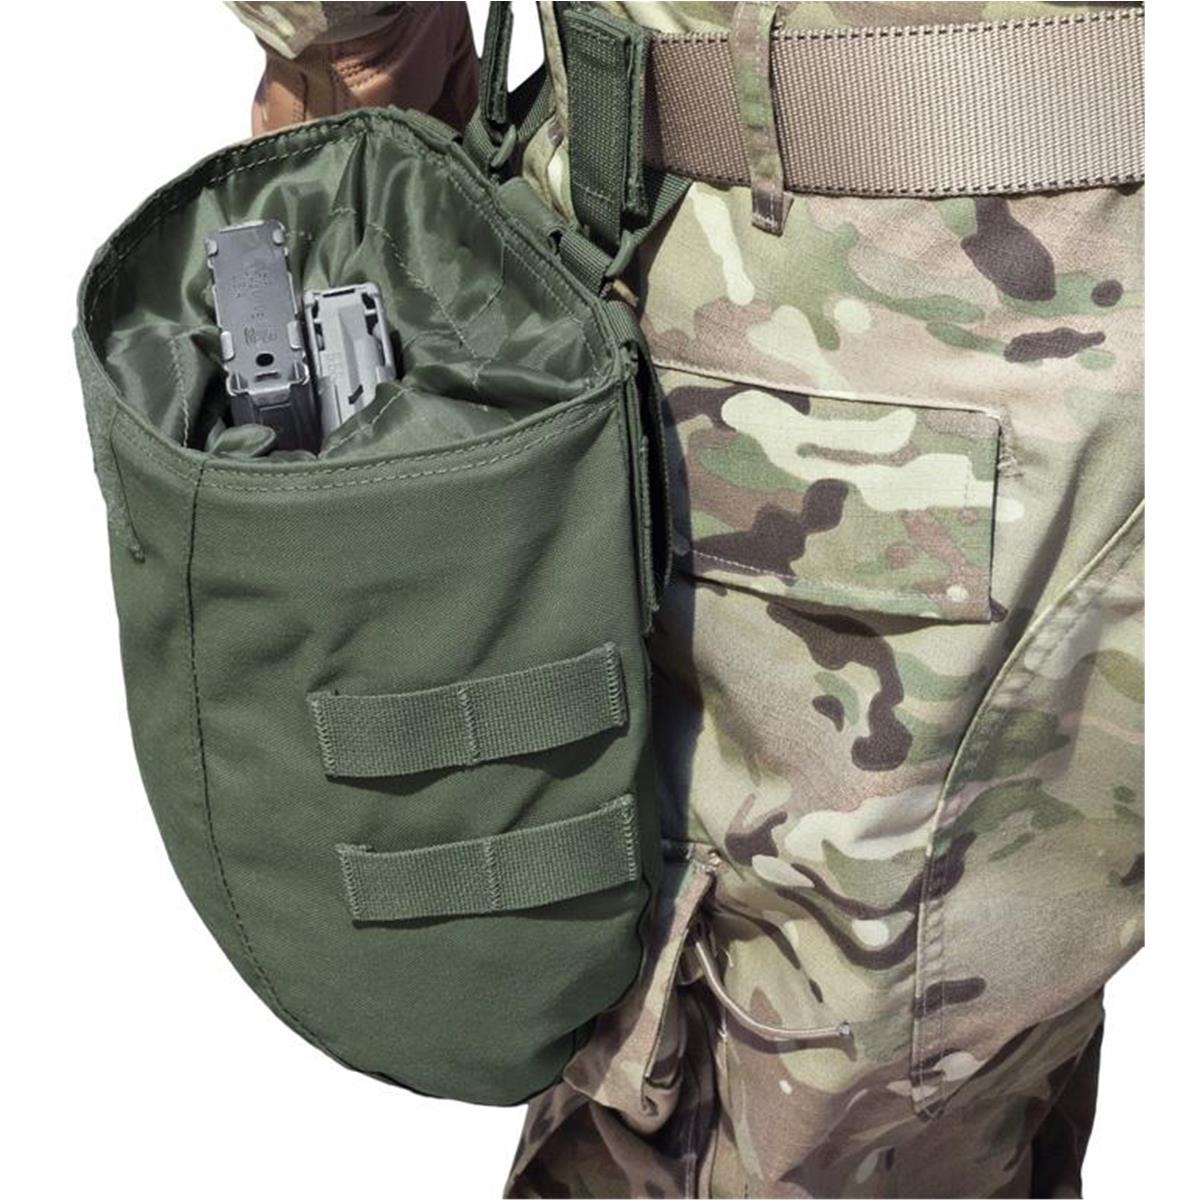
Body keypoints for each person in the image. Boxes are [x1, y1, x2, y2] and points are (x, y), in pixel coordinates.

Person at [232, 4, 1145, 1196]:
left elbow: (365, 55)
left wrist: (348, 46)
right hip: (1010, 333)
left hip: (847, 312)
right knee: (981, 1051)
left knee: (813, 1104)